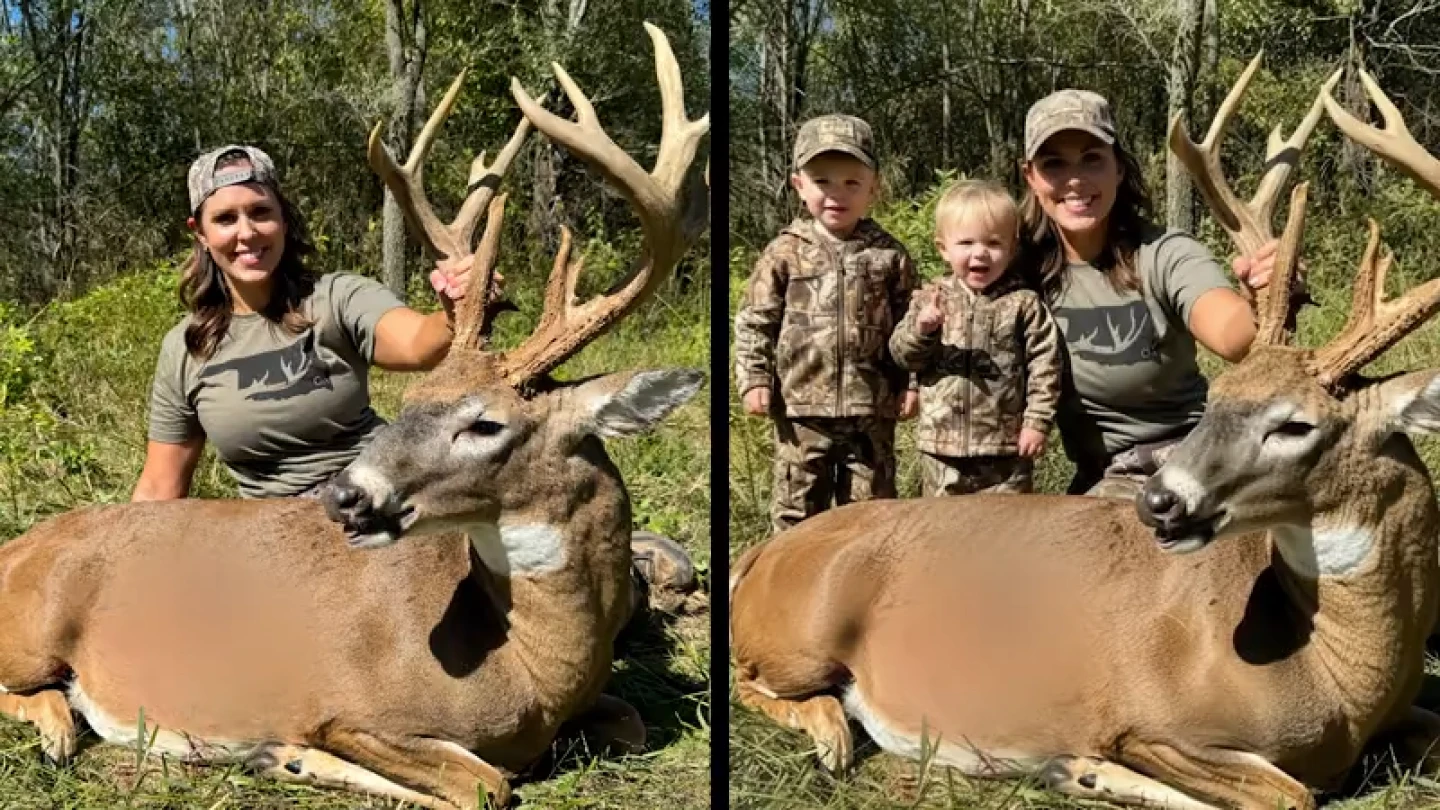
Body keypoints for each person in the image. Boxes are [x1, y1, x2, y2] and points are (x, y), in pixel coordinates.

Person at [132, 144, 478, 501]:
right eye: (225, 219)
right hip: (274, 527)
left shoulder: (337, 298)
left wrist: (457, 308)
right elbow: (161, 484)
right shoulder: (187, 347)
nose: (247, 232)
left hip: (374, 494)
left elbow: (419, 344)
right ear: (200, 234)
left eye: (260, 212)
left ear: (283, 219)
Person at [1019, 89, 1283, 497]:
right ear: (1031, 177)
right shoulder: (1016, 268)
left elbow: (1233, 336)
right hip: (1101, 477)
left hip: (1187, 459)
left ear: (1119, 169)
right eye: (1054, 164)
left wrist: (1263, 294)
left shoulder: (1163, 254)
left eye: (1093, 159)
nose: (1075, 179)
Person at [734, 114, 918, 535]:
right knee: (798, 517)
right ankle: (786, 595)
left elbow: (911, 329)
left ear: (874, 186)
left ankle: (866, 596)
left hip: (871, 412)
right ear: (799, 184)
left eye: (852, 182)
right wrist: (754, 379)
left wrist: (912, 386)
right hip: (802, 411)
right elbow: (755, 321)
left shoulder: (889, 255)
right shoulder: (784, 251)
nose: (837, 194)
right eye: (823, 181)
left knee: (871, 520)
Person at [889, 179, 1062, 496]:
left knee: (1008, 534)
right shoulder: (931, 298)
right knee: (942, 535)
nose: (980, 253)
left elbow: (1046, 366)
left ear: (1011, 248)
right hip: (942, 449)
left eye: (994, 244)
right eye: (966, 243)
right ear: (943, 248)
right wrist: (922, 331)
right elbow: (903, 356)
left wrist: (1036, 423)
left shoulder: (1023, 303)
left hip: (1006, 450)